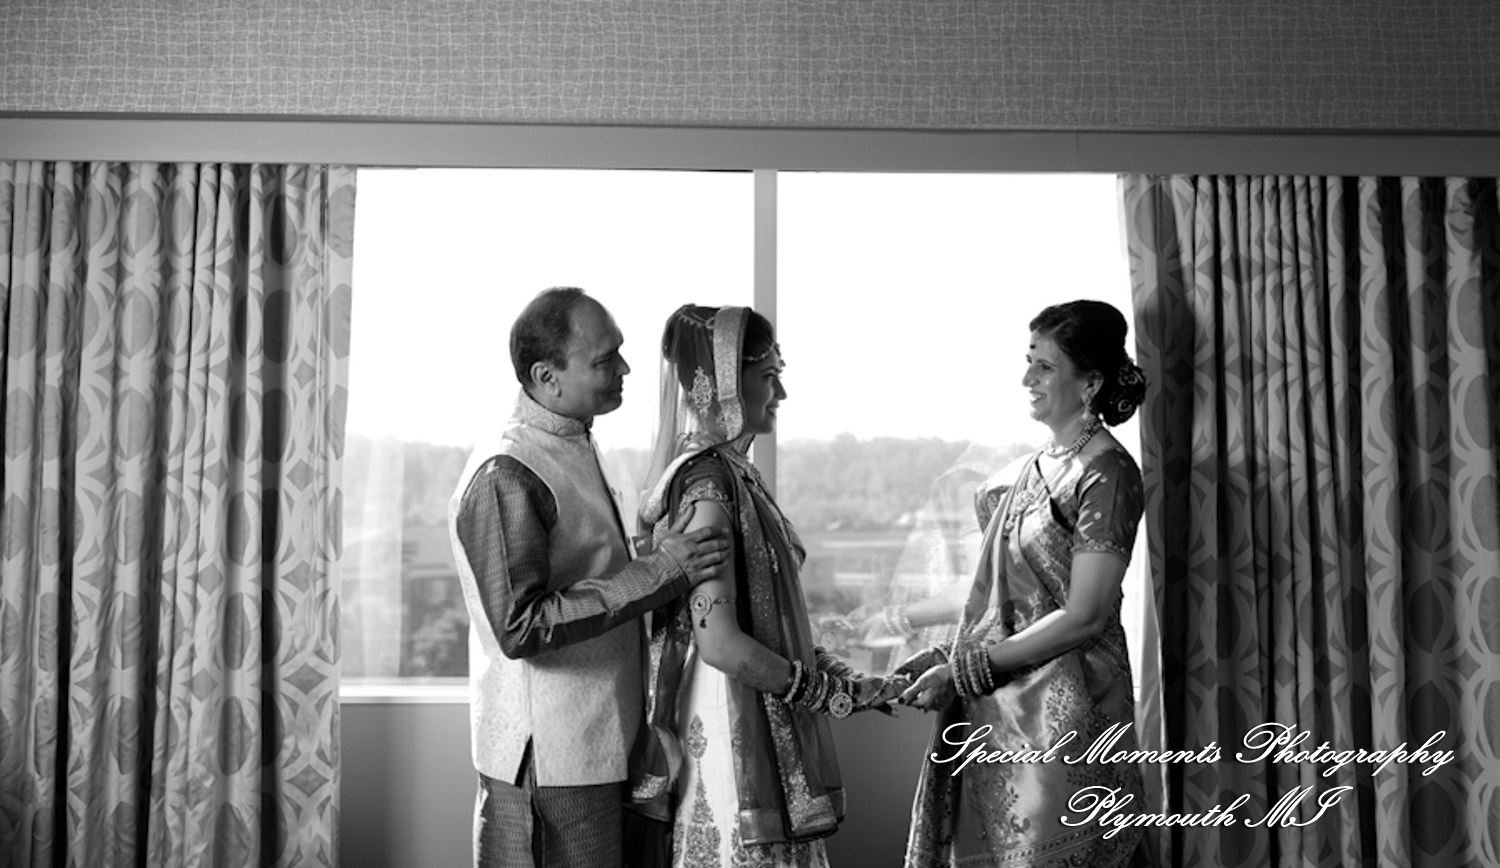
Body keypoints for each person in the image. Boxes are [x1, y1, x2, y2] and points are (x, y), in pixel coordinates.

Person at [449, 287, 732, 868]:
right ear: (546, 377)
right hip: (553, 761)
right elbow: (521, 627)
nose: (625, 369)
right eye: (605, 359)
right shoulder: (508, 471)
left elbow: (587, 565)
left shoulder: (573, 440)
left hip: (596, 744)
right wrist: (661, 571)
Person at [627, 304, 907, 867]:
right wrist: (824, 693)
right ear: (725, 385)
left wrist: (850, 681)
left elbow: (765, 620)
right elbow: (719, 642)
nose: (780, 392)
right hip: (729, 710)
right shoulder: (707, 483)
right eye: (768, 375)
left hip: (753, 698)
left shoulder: (736, 473)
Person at [893, 299, 1152, 868]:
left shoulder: (1107, 474)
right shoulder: (1028, 472)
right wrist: (937, 649)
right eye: (1028, 362)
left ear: (1091, 382)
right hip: (998, 712)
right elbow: (995, 601)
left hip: (1067, 717)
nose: (1027, 379)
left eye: (1045, 366)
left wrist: (966, 670)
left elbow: (1084, 614)